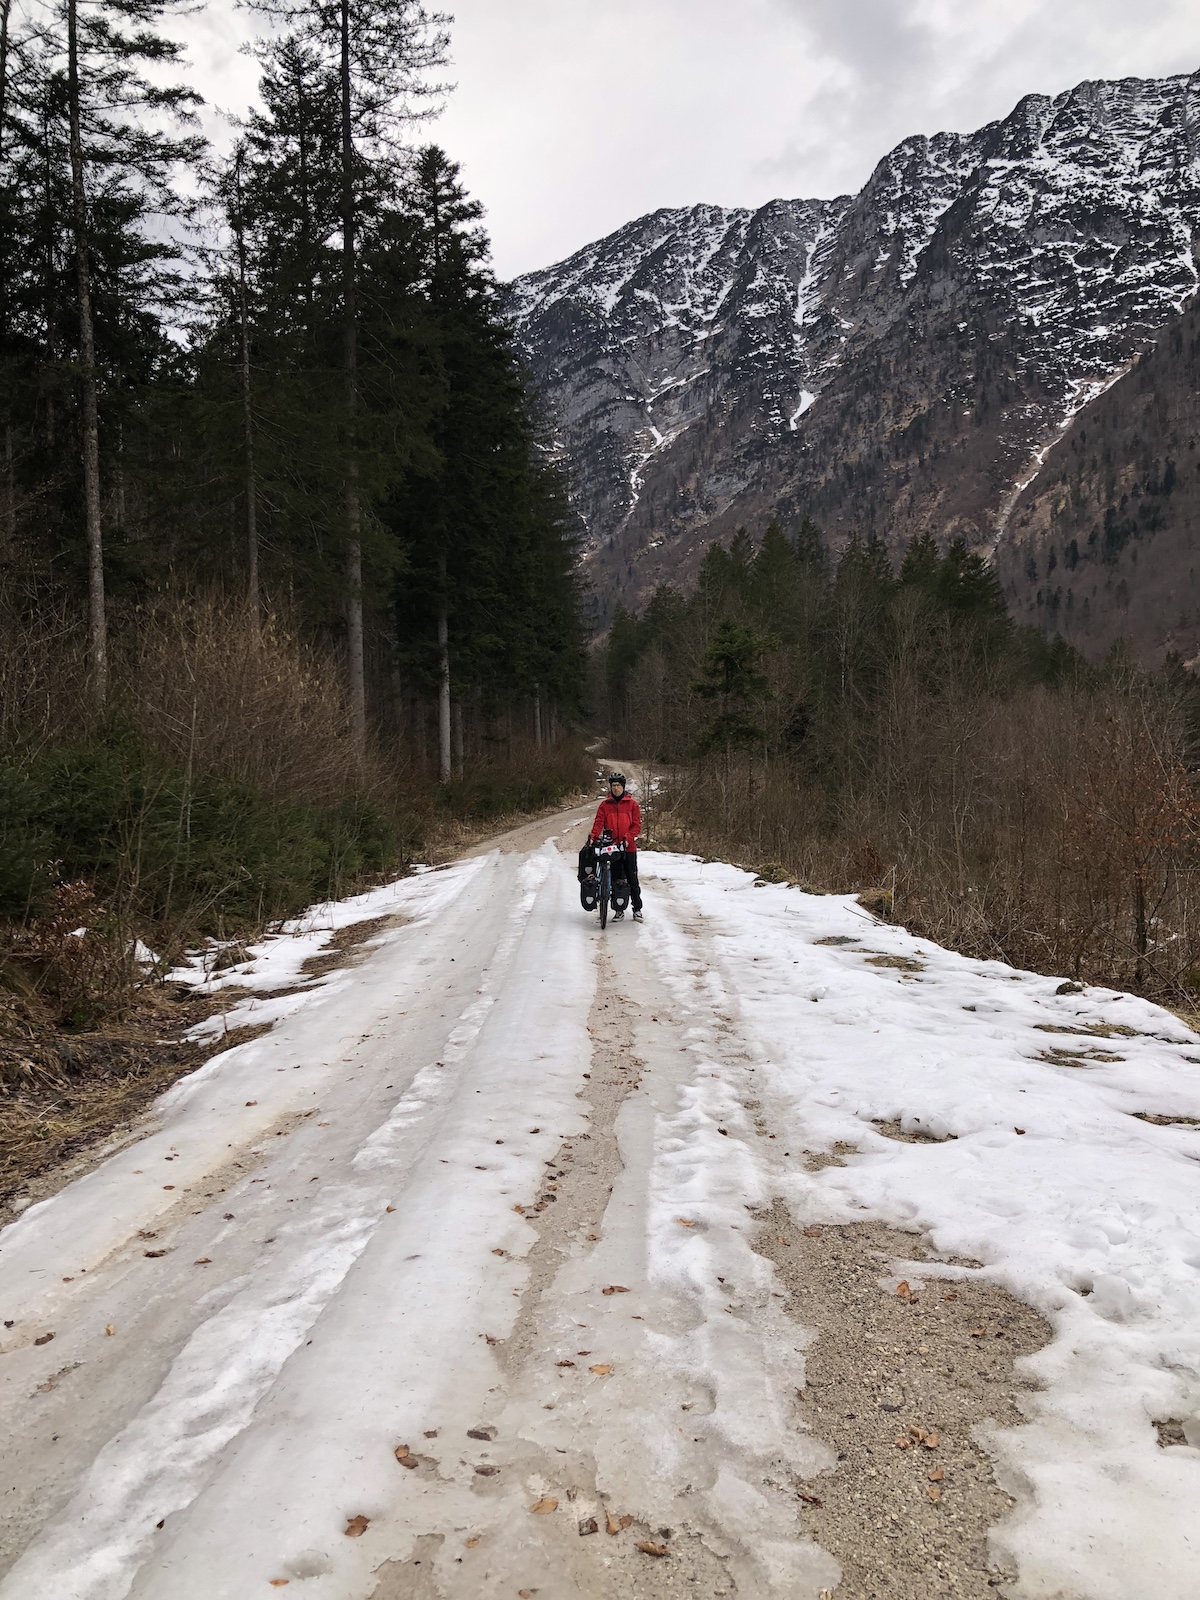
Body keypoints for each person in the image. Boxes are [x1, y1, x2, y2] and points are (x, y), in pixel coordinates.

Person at [579, 771, 643, 920]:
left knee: (632, 879)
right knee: (616, 879)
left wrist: (628, 838)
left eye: (618, 785)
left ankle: (637, 908)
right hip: (612, 848)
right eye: (613, 785)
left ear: (623, 787)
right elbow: (599, 823)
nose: (615, 788)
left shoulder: (632, 805)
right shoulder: (605, 805)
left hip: (628, 847)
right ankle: (619, 910)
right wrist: (593, 838)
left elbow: (636, 825)